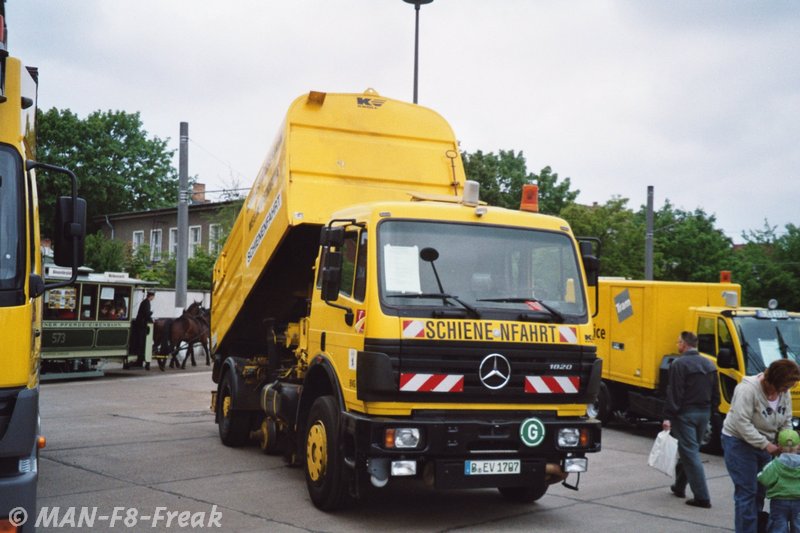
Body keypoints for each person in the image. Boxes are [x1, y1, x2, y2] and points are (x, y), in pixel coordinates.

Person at [722, 358, 800, 533]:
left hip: (766, 444)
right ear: (772, 380)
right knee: (747, 492)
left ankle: (754, 526)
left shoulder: (783, 392)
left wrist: (787, 442)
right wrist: (765, 444)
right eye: (784, 387)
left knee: (760, 491)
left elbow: (786, 420)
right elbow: (741, 423)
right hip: (739, 442)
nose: (786, 391)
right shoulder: (747, 390)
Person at [662, 331, 720, 509]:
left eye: (678, 342)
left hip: (685, 414)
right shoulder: (709, 364)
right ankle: (679, 486)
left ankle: (702, 497)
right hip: (704, 413)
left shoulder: (679, 364)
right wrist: (712, 410)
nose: (677, 344)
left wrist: (668, 416)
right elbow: (715, 392)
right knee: (689, 449)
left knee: (690, 453)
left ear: (685, 344)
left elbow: (675, 392)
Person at [757, 428, 800, 533]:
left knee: (778, 526)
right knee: (798, 525)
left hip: (779, 501)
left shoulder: (776, 464)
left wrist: (758, 474)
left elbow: (764, 479)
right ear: (799, 446)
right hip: (798, 501)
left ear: (779, 446)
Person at [131, 291, 155, 367]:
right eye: (153, 296)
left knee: (141, 342)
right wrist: (151, 318)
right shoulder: (146, 303)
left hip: (140, 323)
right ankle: (139, 361)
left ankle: (139, 360)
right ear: (151, 296)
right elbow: (146, 314)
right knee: (141, 342)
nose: (153, 298)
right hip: (141, 325)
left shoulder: (145, 302)